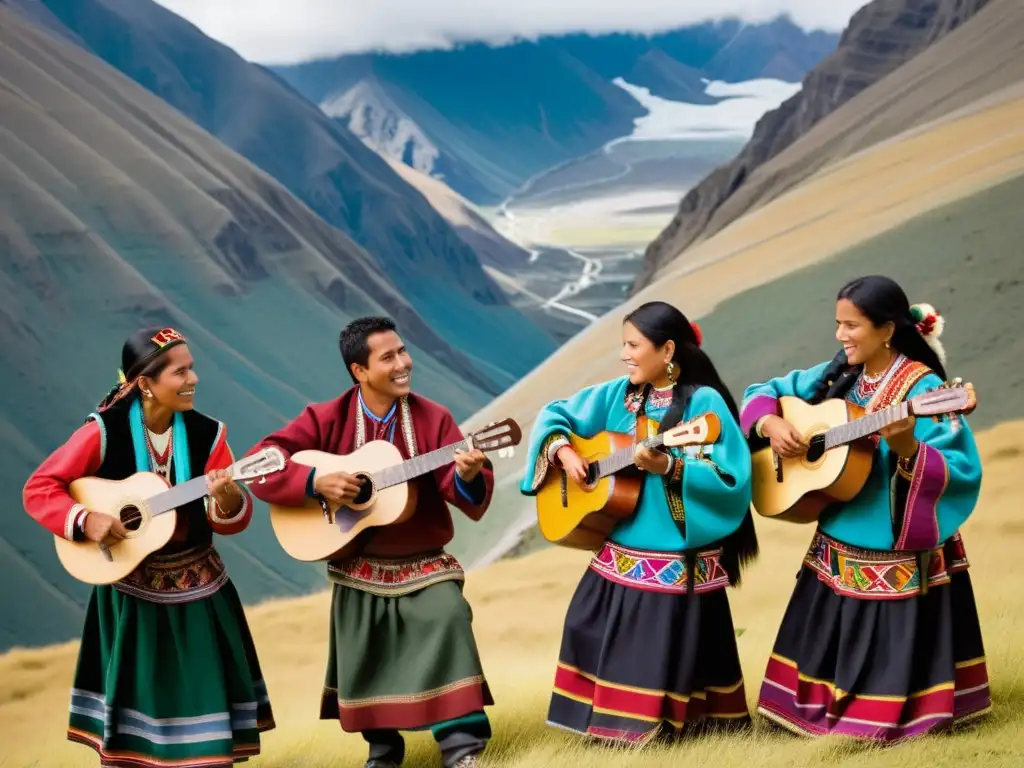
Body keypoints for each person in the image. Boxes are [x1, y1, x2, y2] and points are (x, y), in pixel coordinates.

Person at [741, 275, 988, 742]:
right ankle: (812, 713)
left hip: (893, 535)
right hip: (838, 529)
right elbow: (764, 389)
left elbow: (958, 465)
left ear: (887, 330)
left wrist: (909, 447)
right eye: (838, 323)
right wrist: (770, 421)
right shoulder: (838, 372)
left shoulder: (926, 388)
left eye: (851, 325)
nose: (840, 335)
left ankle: (882, 717)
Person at [244, 316, 494, 768]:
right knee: (367, 647)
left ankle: (461, 745)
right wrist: (315, 480)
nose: (404, 363)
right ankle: (384, 749)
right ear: (359, 371)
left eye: (403, 351)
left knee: (448, 616)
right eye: (389, 357)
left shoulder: (433, 418)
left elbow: (460, 487)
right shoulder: (324, 418)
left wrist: (467, 474)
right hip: (356, 562)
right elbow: (258, 464)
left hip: (422, 560)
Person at [22, 327, 274, 767]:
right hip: (129, 594)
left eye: (192, 368)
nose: (193, 379)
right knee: (137, 733)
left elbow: (232, 517)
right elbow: (40, 487)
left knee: (206, 710)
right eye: (180, 372)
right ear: (145, 384)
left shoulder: (209, 434)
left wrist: (228, 494)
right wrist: (87, 519)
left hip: (200, 591)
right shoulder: (103, 431)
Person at [519, 300, 759, 745]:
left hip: (674, 557)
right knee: (582, 625)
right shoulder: (618, 395)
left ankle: (649, 734)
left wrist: (670, 467)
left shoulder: (701, 405)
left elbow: (732, 477)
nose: (625, 354)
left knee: (655, 654)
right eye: (623, 345)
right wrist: (565, 452)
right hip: (619, 551)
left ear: (667, 350)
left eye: (633, 345)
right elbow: (555, 414)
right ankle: (608, 730)